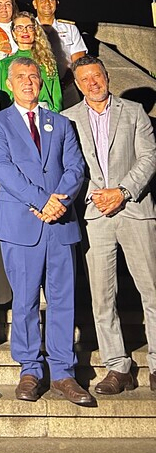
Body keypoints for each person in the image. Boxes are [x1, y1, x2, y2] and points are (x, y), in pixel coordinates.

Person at [0, 56, 93, 406]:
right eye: (21, 77)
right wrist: (41, 200)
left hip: (60, 224)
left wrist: (59, 201)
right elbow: (3, 169)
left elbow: (75, 166)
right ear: (9, 84)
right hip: (22, 225)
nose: (29, 81)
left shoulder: (60, 123)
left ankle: (63, 373)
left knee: (63, 300)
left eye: (34, 76)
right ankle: (30, 369)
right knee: (27, 300)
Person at [64, 56, 156, 395]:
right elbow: (69, 166)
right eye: (85, 79)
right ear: (77, 84)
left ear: (107, 77)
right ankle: (118, 367)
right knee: (103, 297)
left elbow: (149, 157)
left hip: (135, 210)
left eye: (97, 76)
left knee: (152, 290)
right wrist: (97, 196)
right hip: (95, 215)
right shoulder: (68, 119)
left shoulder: (134, 113)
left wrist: (123, 191)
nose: (93, 83)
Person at [0, 11, 62, 112]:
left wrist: (55, 116)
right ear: (13, 33)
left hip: (46, 112)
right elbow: (3, 98)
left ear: (35, 32)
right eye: (19, 28)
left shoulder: (48, 61)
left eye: (29, 27)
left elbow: (57, 97)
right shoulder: (3, 64)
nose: (25, 31)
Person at [33, 0, 87, 108]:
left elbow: (79, 61)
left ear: (57, 3)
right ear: (34, 4)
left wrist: (62, 84)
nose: (47, 3)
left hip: (67, 88)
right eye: (42, 0)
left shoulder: (70, 29)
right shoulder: (28, 29)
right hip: (39, 90)